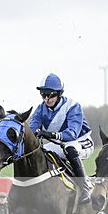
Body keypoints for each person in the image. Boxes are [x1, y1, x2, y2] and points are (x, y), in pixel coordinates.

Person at [29, 73, 94, 204]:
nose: (47, 99)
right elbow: (32, 130)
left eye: (50, 95)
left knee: (70, 149)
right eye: (43, 95)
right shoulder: (40, 109)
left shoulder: (73, 106)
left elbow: (72, 134)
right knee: (38, 153)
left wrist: (51, 134)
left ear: (59, 94)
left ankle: (85, 188)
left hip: (81, 141)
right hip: (60, 143)